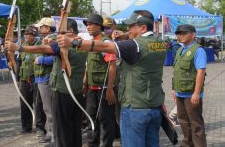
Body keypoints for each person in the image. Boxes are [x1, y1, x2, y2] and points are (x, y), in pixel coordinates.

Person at [57, 10, 167, 147]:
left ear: (143, 28)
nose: (128, 29)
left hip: (135, 108)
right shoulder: (160, 43)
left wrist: (72, 42)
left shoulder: (134, 45)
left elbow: (104, 46)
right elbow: (139, 39)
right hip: (154, 106)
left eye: (131, 26)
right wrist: (126, 35)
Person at [5, 19, 87, 147]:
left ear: (70, 32)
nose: (59, 35)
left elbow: (44, 48)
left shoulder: (65, 46)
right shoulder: (82, 44)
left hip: (63, 91)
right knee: (74, 125)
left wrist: (19, 47)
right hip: (75, 91)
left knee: (62, 126)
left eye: (62, 32)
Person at [83, 14, 117, 147]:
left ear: (99, 26)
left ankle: (107, 144)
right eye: (87, 25)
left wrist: (109, 88)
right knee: (91, 117)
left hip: (104, 89)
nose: (88, 27)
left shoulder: (106, 43)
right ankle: (92, 143)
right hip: (92, 88)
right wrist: (85, 82)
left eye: (91, 24)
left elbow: (112, 65)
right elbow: (88, 65)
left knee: (106, 119)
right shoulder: (90, 43)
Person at [172, 24, 207, 147]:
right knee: (183, 122)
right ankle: (187, 144)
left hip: (191, 94)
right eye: (179, 33)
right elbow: (176, 70)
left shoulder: (198, 50)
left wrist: (196, 93)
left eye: (184, 33)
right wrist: (173, 89)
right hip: (180, 92)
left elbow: (201, 72)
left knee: (196, 124)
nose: (180, 36)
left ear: (193, 34)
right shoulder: (180, 50)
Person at [16, 25, 46, 136]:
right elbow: (19, 62)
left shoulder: (41, 46)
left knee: (38, 104)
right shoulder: (22, 46)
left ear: (34, 35)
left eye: (28, 34)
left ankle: (40, 128)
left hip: (37, 78)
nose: (25, 36)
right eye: (25, 34)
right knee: (24, 103)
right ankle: (26, 126)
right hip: (24, 79)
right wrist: (17, 78)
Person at [34, 18, 56, 145]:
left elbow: (56, 59)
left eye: (41, 27)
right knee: (46, 108)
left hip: (47, 78)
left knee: (49, 109)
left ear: (47, 28)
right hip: (41, 77)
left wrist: (40, 60)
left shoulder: (53, 39)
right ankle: (50, 131)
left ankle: (53, 134)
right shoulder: (44, 39)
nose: (39, 29)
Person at [167, 34, 182, 127]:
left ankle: (173, 115)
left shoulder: (178, 46)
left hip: (183, 80)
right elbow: (178, 65)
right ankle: (172, 115)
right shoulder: (177, 46)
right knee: (182, 102)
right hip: (181, 79)